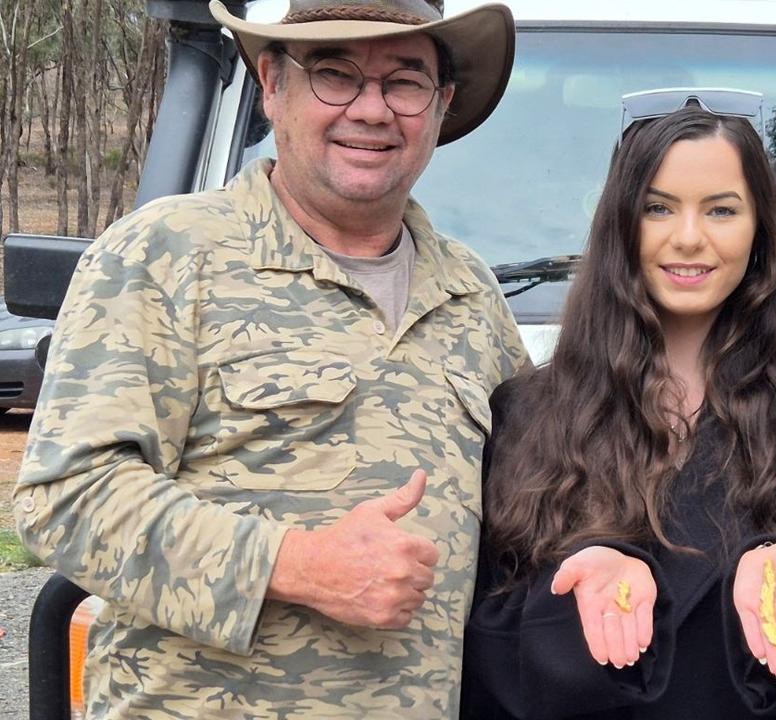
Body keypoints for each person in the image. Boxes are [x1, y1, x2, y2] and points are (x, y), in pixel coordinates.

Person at [12, 0, 526, 716]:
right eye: (336, 75)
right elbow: (65, 499)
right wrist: (298, 566)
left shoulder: (473, 297)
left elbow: (537, 503)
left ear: (440, 105)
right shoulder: (164, 255)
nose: (372, 110)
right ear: (271, 84)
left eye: (404, 82)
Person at [460, 92, 776, 719]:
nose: (689, 238)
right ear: (620, 225)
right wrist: (575, 594)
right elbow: (481, 633)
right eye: (658, 208)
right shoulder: (528, 413)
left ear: (759, 231)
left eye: (721, 210)